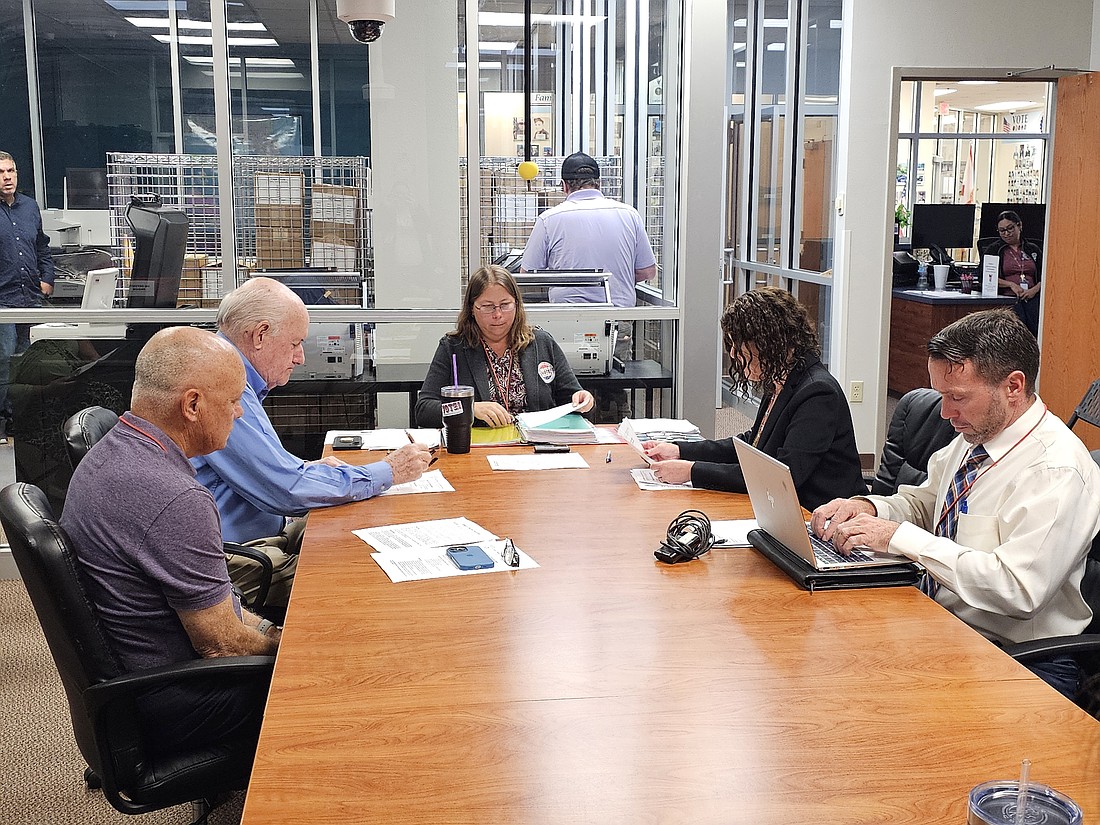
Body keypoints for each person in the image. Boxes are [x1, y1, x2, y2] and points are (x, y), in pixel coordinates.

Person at [811, 309, 1100, 699]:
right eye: (941, 395)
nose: (945, 412)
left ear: (1013, 386)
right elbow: (931, 503)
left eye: (957, 397)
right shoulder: (977, 436)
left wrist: (900, 538)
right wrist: (870, 508)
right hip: (942, 622)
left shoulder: (1055, 469)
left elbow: (1017, 589)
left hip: (1019, 658)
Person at [60, 327, 276, 753]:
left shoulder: (116, 450)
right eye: (233, 401)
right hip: (180, 701)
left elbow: (220, 615)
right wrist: (297, 650)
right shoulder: (174, 497)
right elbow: (222, 644)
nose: (239, 413)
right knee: (344, 684)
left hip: (137, 684)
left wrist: (274, 630)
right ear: (193, 405)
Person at [192, 277, 431, 606]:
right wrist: (388, 471)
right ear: (260, 335)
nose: (301, 357)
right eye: (295, 343)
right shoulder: (218, 385)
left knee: (363, 528)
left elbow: (274, 472)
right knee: (365, 577)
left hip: (265, 535)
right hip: (235, 560)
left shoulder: (226, 371)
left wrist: (308, 470)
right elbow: (286, 489)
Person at [642, 287, 865, 510]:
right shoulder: (782, 379)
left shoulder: (817, 393)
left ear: (767, 341)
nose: (733, 354)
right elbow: (753, 445)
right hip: (782, 510)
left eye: (739, 345)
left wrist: (691, 471)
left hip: (820, 518)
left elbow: (781, 475)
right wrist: (680, 450)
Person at [520, 151, 657, 419]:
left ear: (564, 186)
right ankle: (616, 438)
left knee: (566, 387)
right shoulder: (629, 215)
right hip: (617, 320)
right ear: (599, 183)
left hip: (566, 323)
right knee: (613, 386)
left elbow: (528, 274)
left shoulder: (550, 219)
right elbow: (647, 271)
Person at [415, 264, 594, 428]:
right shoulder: (453, 347)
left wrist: (584, 400)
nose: (498, 314)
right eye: (487, 307)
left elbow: (573, 399)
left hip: (537, 448)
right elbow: (424, 410)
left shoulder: (541, 343)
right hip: (478, 451)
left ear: (517, 305)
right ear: (471, 308)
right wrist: (469, 409)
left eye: (505, 305)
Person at [0, 151, 55, 442]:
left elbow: (42, 246)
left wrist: (47, 278)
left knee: (29, 363)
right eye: (1, 172)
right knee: (4, 363)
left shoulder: (29, 207)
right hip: (4, 304)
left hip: (31, 298)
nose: (7, 177)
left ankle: (21, 421)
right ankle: (4, 423)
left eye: (11, 171)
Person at [990, 210, 1042, 336]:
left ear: (1019, 226)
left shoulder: (1033, 248)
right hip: (1008, 299)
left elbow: (1046, 275)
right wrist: (1010, 285)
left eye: (1010, 228)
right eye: (1002, 231)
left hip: (1033, 297)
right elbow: (986, 277)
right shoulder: (994, 249)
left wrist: (1034, 290)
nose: (1007, 234)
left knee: (1035, 324)